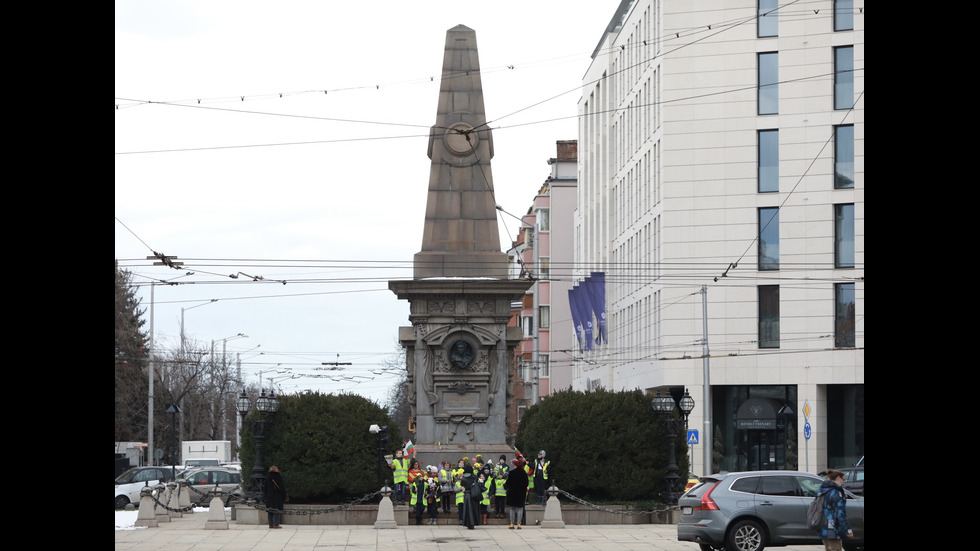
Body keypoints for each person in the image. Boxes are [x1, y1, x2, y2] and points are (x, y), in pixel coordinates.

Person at [816, 469, 854, 551]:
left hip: (823, 526)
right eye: (843, 479)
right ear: (838, 478)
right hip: (833, 529)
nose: (843, 482)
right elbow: (840, 514)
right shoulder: (836, 493)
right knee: (836, 549)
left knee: (828, 548)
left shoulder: (822, 490)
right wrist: (847, 530)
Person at [504, 456, 529, 529]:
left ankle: (512, 523)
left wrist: (506, 487)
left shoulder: (512, 473)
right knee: (520, 508)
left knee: (512, 508)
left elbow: (508, 483)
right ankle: (519, 524)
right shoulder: (524, 473)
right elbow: (526, 483)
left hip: (512, 493)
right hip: (521, 493)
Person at [262, 465, 288, 529]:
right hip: (277, 496)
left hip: (269, 497)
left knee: (270, 510)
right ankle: (276, 524)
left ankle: (271, 524)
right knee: (276, 510)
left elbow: (264, 488)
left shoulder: (267, 477)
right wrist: (284, 495)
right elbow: (282, 488)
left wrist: (265, 496)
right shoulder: (278, 477)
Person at [458, 463, 481, 529]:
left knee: (468, 510)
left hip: (467, 494)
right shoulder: (475, 477)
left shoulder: (464, 478)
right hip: (474, 494)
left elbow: (462, 485)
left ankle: (469, 523)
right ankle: (474, 522)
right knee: (474, 509)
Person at [407, 459, 426, 525]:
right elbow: (409, 479)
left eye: (417, 464)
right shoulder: (410, 471)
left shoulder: (421, 472)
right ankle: (415, 509)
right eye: (415, 464)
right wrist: (416, 479)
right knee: (414, 499)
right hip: (413, 487)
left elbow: (424, 478)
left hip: (421, 488)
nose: (416, 465)